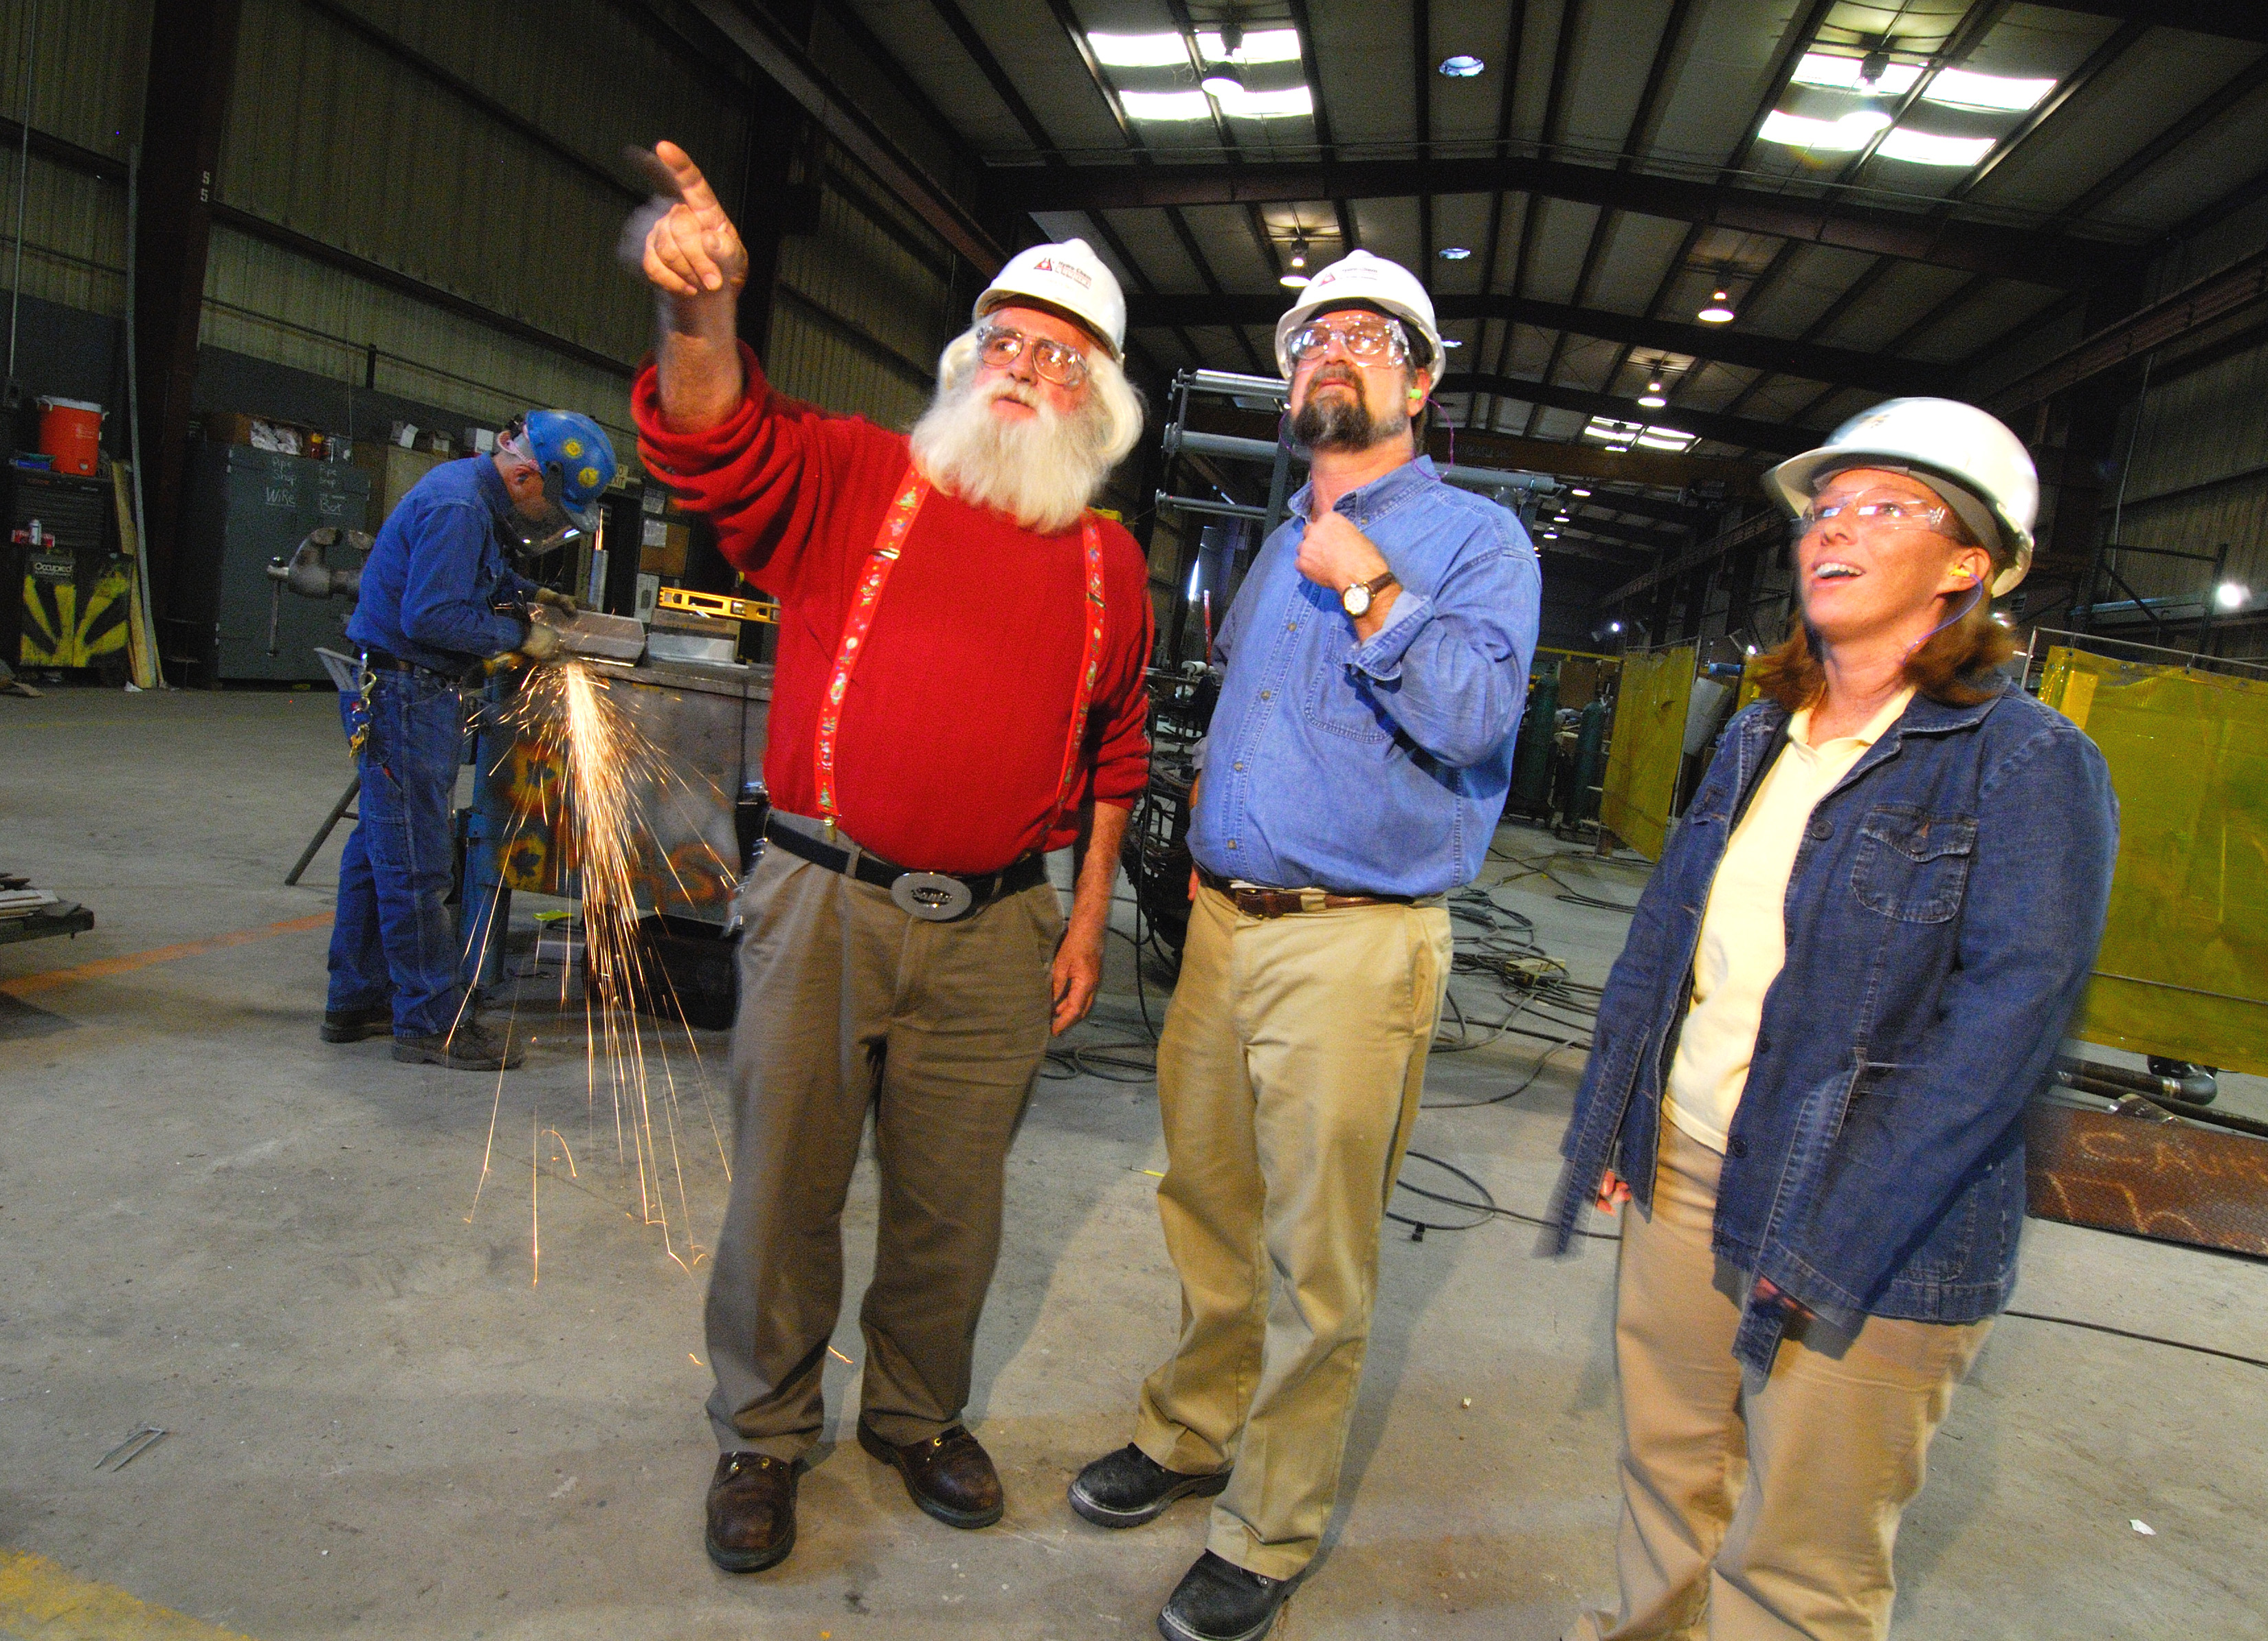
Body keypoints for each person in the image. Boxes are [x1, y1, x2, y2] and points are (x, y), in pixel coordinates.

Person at [627, 142, 1155, 1576]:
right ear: (962, 355)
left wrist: (1087, 910)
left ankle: (915, 1414)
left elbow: (1116, 750)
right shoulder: (861, 477)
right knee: (786, 1185)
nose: (1023, 366)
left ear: (1098, 403)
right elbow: (711, 436)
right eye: (1004, 339)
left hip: (998, 927)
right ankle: (763, 1425)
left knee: (953, 1201)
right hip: (822, 894)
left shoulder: (1111, 568)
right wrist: (701, 316)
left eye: (1058, 356)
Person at [1547, 398, 2119, 1641]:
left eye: (1884, 505)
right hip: (1688, 1168)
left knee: (1798, 1559)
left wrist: (1835, 1239)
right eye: (1826, 506)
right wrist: (1622, 1120)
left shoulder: (2024, 761)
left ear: (1968, 565)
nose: (1833, 528)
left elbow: (2002, 1038)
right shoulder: (1761, 733)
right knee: (1669, 1481)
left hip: (1873, 1219)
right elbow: (1668, 946)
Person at [1069, 251, 1540, 1641]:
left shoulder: (1477, 543)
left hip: (1355, 941)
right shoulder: (1277, 542)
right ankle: (1192, 1427)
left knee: (1316, 1256)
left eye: (1368, 333)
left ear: (1422, 376)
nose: (1333, 349)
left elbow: (1471, 718)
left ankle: (1267, 1525)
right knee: (1205, 1203)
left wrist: (1377, 592)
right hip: (1222, 924)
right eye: (1311, 335)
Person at [325, 410, 615, 1070]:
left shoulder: (469, 492)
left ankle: (358, 997)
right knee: (418, 867)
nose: (546, 520)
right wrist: (520, 638)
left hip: (403, 692)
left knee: (377, 852)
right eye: (550, 502)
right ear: (525, 476)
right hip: (407, 695)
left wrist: (525, 592)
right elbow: (430, 613)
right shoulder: (459, 506)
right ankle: (430, 1021)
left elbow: (471, 576)